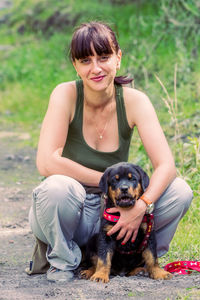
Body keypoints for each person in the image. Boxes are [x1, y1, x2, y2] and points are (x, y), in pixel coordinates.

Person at [28, 21, 193, 282]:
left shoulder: (134, 101)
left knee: (180, 191)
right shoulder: (65, 94)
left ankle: (141, 260)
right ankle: (63, 261)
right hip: (77, 211)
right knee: (56, 187)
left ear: (118, 58)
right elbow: (47, 162)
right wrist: (108, 185)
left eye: (104, 57)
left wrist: (141, 205)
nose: (95, 68)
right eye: (85, 60)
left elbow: (166, 166)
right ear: (75, 65)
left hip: (120, 212)